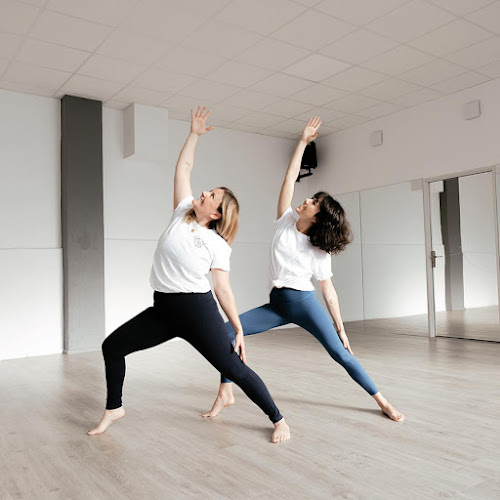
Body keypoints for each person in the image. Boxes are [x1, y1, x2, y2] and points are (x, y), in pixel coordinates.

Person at [88, 107, 290, 443]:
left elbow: (222, 290)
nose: (205, 192)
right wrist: (194, 134)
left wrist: (238, 330)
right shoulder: (181, 212)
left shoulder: (217, 245)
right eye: (209, 190)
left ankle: (278, 419)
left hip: (197, 312)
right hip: (163, 310)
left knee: (234, 368)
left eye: (213, 196)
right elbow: (183, 168)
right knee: (113, 346)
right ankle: (114, 407)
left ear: (216, 213)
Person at [202, 117, 404, 423]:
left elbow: (328, 290)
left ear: (317, 217)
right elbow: (289, 178)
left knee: (340, 354)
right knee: (227, 332)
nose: (306, 200)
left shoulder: (319, 250)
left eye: (312, 202)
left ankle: (382, 400)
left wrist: (340, 327)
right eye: (310, 197)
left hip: (304, 304)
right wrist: (302, 142)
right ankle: (225, 392)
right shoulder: (284, 219)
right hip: (277, 304)